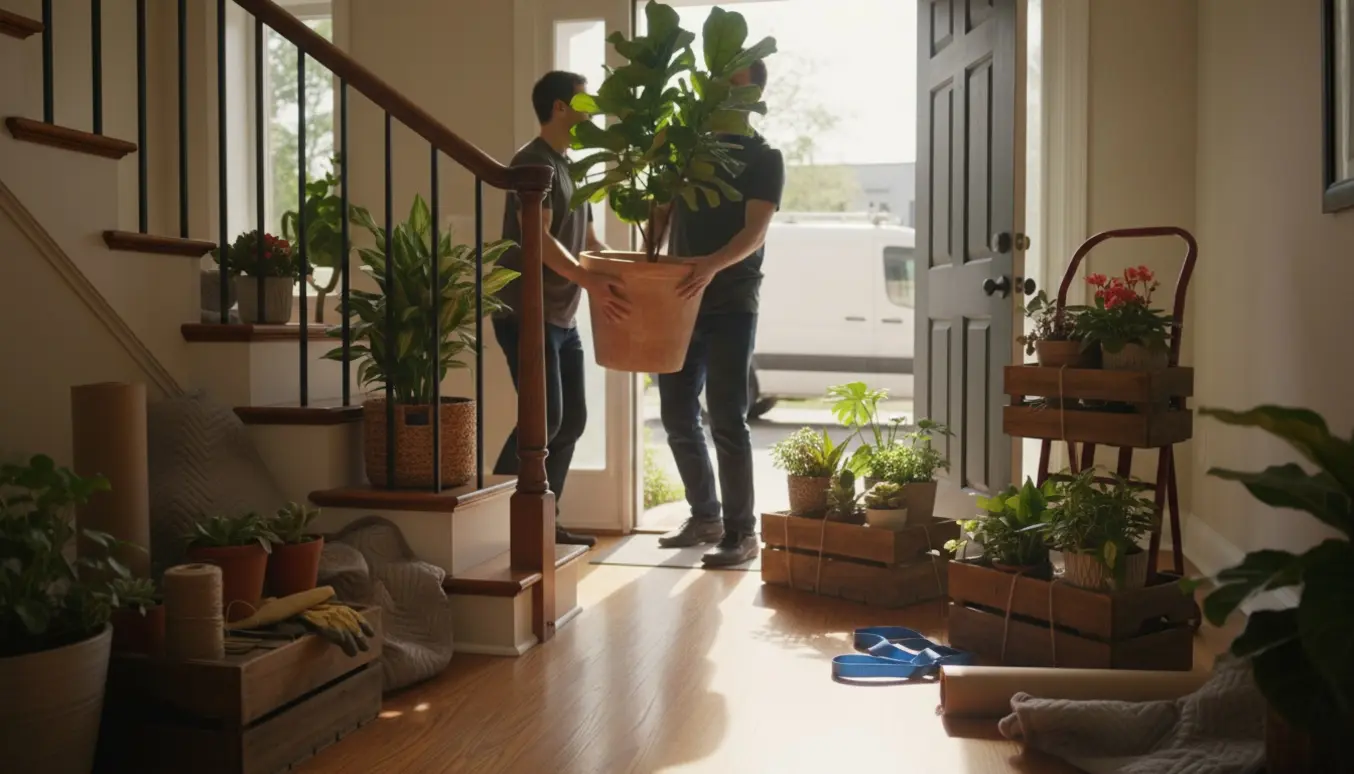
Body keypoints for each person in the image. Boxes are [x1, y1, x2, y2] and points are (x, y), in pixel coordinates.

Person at [654, 60, 785, 566]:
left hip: (732, 301)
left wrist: (708, 267)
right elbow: (660, 217)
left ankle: (741, 533)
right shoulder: (687, 151)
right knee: (676, 414)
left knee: (728, 417)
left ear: (752, 94)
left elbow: (755, 233)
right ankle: (704, 514)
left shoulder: (763, 157)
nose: (716, 88)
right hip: (678, 301)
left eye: (730, 82)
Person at [494, 70, 631, 548]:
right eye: (584, 102)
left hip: (562, 316)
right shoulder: (531, 163)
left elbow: (590, 241)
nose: (591, 110)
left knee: (571, 420)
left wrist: (627, 269)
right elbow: (540, 238)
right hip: (524, 312)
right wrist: (587, 280)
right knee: (544, 422)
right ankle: (495, 515)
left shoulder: (572, 167)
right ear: (559, 108)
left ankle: (544, 521)